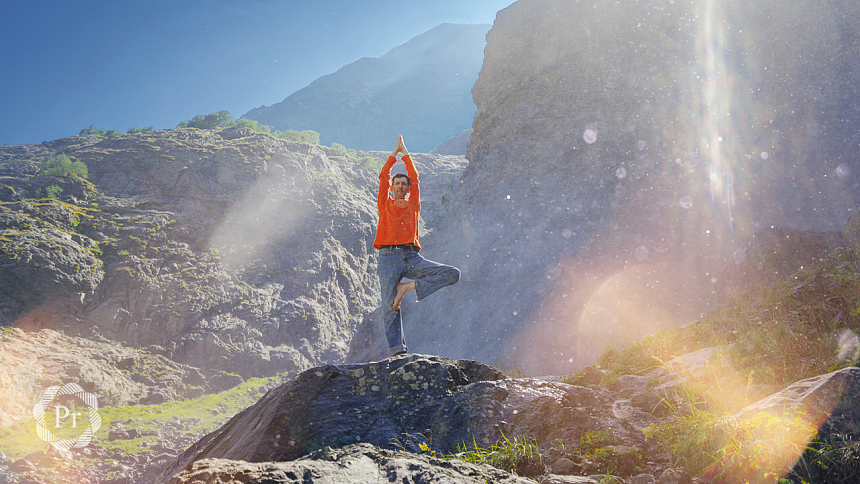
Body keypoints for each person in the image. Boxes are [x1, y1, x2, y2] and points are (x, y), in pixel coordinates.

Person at [374, 135, 460, 357]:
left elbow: (415, 178)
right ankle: (398, 352)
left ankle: (406, 287)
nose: (400, 186)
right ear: (392, 187)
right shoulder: (384, 204)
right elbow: (383, 177)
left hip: (412, 258)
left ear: (408, 188)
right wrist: (393, 155)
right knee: (389, 306)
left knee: (452, 273)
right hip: (388, 257)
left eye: (404, 184)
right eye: (397, 183)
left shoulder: (413, 204)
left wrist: (406, 154)